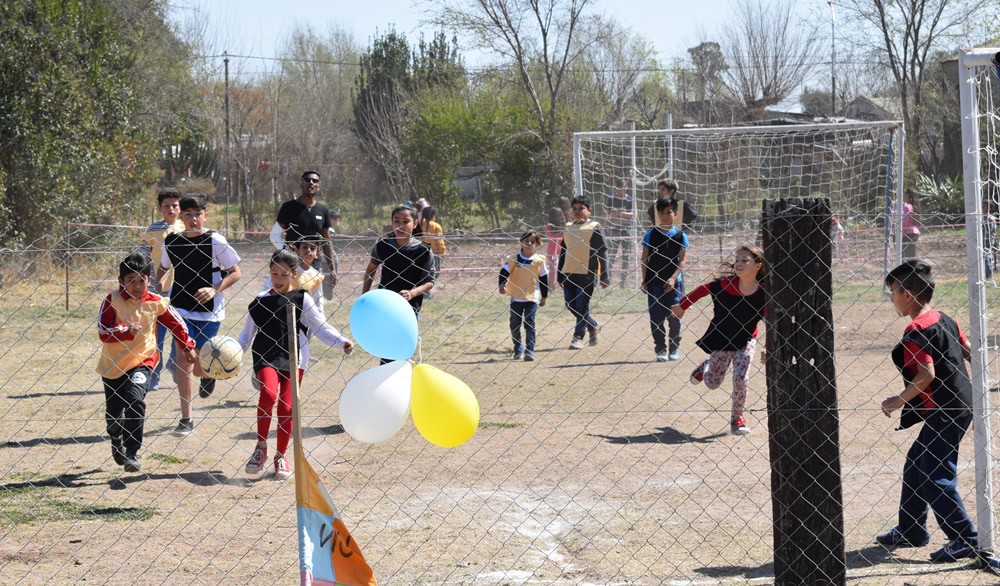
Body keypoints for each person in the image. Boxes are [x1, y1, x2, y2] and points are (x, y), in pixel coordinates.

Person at [874, 260, 979, 562]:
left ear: (907, 294)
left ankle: (965, 538)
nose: (891, 297)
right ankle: (912, 529)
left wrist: (899, 399)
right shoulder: (943, 318)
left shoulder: (916, 329)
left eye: (892, 291)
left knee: (935, 475)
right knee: (916, 464)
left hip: (945, 409)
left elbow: (926, 375)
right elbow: (969, 351)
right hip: (957, 405)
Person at [238, 249, 354, 480]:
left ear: (293, 274)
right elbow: (244, 338)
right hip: (266, 356)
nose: (278, 279)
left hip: (294, 358)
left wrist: (342, 342)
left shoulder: (302, 298)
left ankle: (281, 456)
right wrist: (227, 357)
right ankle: (260, 448)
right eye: (273, 274)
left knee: (287, 408)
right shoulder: (259, 302)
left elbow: (320, 327)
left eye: (283, 274)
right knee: (269, 395)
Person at [97, 252, 197, 472]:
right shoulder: (112, 300)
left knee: (135, 399)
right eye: (130, 280)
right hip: (113, 366)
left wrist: (188, 347)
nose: (136, 285)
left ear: (149, 280)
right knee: (114, 418)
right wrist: (124, 330)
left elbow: (177, 324)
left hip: (143, 361)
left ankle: (132, 453)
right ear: (120, 281)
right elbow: (103, 331)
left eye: (141, 280)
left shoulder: (156, 303)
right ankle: (116, 438)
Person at [157, 193, 242, 436]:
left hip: (209, 313)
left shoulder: (215, 240)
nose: (194, 219)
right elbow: (163, 267)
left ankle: (207, 375)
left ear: (205, 215)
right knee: (184, 361)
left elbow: (236, 272)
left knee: (199, 367)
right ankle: (186, 419)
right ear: (180, 216)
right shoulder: (172, 240)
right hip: (180, 309)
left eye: (198, 214)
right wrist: (157, 288)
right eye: (188, 214)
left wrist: (214, 289)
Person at [672, 245, 766, 435]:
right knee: (712, 384)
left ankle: (737, 418)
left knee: (740, 378)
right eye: (737, 259)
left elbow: (771, 322)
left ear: (758, 265)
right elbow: (702, 290)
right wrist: (682, 305)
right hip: (721, 339)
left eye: (745, 260)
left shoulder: (764, 293)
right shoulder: (725, 284)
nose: (738, 263)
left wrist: (769, 348)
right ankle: (705, 367)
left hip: (746, 340)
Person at [139, 188, 184, 391]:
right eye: (167, 206)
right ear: (160, 208)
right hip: (159, 290)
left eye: (175, 205)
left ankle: (175, 363)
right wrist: (147, 283)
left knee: (181, 330)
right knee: (157, 336)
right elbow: (143, 254)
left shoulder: (186, 227)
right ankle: (153, 378)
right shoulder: (153, 229)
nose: (171, 209)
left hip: (182, 290)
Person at [362, 203, 435, 318]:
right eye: (396, 221)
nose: (400, 225)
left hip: (410, 307)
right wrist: (364, 296)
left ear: (415, 224)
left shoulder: (424, 250)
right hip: (384, 304)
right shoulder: (382, 246)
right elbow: (371, 269)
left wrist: (412, 293)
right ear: (392, 223)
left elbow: (429, 282)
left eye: (406, 222)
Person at [270, 170, 337, 291]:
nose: (311, 182)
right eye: (307, 180)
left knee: (315, 304)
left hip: (313, 267)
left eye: (315, 180)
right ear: (301, 184)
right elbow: (274, 236)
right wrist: (288, 253)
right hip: (291, 267)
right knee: (290, 300)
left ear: (318, 186)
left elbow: (326, 241)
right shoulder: (288, 207)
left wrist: (332, 268)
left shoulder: (322, 210)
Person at [558, 196, 610, 349]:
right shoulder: (568, 227)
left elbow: (602, 252)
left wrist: (605, 275)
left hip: (587, 273)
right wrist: (559, 274)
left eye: (581, 208)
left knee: (582, 305)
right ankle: (593, 325)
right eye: (574, 209)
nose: (577, 211)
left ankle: (578, 337)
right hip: (568, 273)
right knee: (570, 304)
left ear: (589, 211)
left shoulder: (595, 227)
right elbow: (563, 251)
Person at [641, 196, 688, 362]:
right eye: (662, 213)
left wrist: (674, 278)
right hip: (654, 282)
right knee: (656, 317)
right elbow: (644, 258)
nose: (665, 216)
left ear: (675, 214)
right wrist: (644, 280)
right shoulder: (651, 234)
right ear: (658, 215)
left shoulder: (681, 236)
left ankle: (674, 347)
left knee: (674, 315)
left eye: (669, 212)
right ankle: (660, 349)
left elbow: (682, 260)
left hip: (674, 284)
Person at [499, 231, 549, 361]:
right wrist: (501, 285)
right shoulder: (514, 259)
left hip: (532, 298)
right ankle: (518, 348)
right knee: (514, 325)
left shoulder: (539, 261)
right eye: (527, 241)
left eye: (533, 242)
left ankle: (530, 351)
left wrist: (544, 296)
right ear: (521, 242)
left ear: (537, 245)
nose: (529, 244)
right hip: (516, 298)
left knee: (529, 324)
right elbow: (504, 272)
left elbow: (544, 279)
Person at [605, 178, 634, 288]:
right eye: (618, 189)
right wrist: (612, 214)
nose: (620, 191)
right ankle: (607, 281)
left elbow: (632, 215)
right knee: (611, 255)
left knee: (626, 256)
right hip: (614, 230)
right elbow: (606, 214)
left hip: (627, 230)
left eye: (622, 189)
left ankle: (623, 284)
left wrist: (620, 213)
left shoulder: (630, 199)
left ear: (627, 187)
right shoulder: (611, 198)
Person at [419, 206, 446, 286]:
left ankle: (424, 288)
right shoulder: (436, 226)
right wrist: (443, 252)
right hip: (435, 253)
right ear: (433, 216)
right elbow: (439, 241)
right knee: (436, 272)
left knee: (425, 272)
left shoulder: (420, 226)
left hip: (423, 252)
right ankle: (426, 289)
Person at [546, 197, 570, 287]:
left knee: (552, 266)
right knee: (564, 265)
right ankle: (565, 281)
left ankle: (552, 283)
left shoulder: (549, 225)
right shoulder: (565, 225)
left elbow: (547, 230)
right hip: (564, 246)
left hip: (552, 248)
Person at [901, 188, 921, 260]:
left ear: (908, 196)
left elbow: (904, 223)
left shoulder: (907, 207)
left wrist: (901, 234)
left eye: (904, 194)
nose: (902, 196)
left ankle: (912, 270)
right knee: (911, 256)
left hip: (908, 233)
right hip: (914, 233)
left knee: (908, 257)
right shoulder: (913, 206)